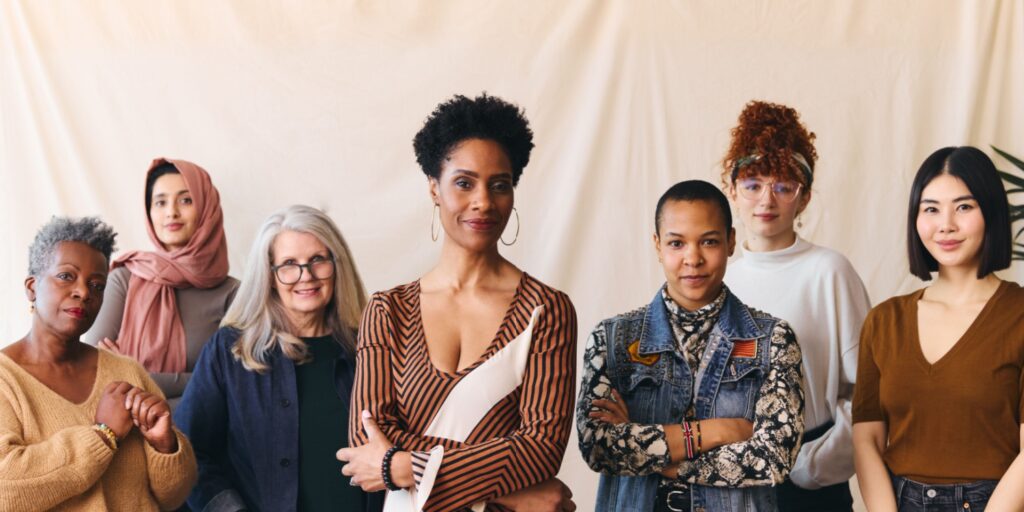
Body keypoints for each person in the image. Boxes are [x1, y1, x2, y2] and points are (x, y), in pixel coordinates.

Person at [338, 93, 578, 512]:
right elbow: (366, 441)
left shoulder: (547, 310)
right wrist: (511, 491)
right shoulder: (387, 310)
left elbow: (541, 447)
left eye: (499, 185)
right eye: (464, 183)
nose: (483, 201)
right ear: (434, 188)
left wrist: (400, 466)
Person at [578, 180, 805, 512]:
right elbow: (599, 447)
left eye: (709, 242)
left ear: (730, 241)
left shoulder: (773, 341)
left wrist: (660, 457)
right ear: (657, 246)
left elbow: (773, 457)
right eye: (676, 243)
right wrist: (717, 432)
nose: (693, 258)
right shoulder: (611, 340)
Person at [176, 205, 382, 512]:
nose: (306, 276)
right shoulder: (230, 351)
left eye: (317, 260)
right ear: (269, 276)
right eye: (288, 264)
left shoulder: (370, 351)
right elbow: (188, 452)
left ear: (337, 265)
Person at [853, 146, 1024, 511]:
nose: (945, 224)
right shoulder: (884, 321)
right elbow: (866, 436)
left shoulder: (1019, 314)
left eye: (964, 207)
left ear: (991, 212)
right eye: (930, 209)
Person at [721, 101, 870, 511]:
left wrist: (815, 465)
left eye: (783, 185)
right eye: (753, 184)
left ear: (802, 197)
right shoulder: (722, 282)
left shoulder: (830, 272)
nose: (766, 199)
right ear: (731, 188)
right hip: (736, 484)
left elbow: (872, 391)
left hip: (811, 488)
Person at [0, 216, 197, 511]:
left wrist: (164, 445)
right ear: (32, 287)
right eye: (67, 276)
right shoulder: (6, 381)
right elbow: (6, 491)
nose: (84, 292)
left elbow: (172, 497)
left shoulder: (127, 372)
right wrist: (103, 435)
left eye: (97, 285)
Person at [85, 158, 239, 409]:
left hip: (199, 437)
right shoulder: (125, 278)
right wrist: (192, 381)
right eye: (160, 202)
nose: (171, 212)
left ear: (206, 209)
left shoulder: (233, 294)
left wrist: (131, 372)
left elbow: (231, 381)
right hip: (123, 434)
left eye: (186, 200)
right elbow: (91, 368)